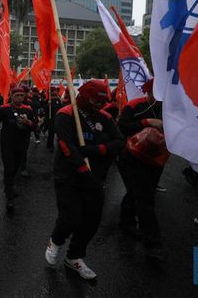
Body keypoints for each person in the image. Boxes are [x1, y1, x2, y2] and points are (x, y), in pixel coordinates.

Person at [45, 80, 124, 280]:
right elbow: (66, 145)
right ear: (84, 96)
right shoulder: (65, 114)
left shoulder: (105, 117)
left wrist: (97, 150)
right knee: (71, 217)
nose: (99, 104)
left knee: (92, 220)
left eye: (102, 100)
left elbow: (119, 142)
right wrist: (81, 166)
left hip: (95, 178)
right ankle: (55, 241)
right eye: (95, 100)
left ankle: (74, 257)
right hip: (68, 176)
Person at [117, 78, 167, 261]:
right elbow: (121, 127)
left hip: (156, 159)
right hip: (130, 157)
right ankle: (153, 244)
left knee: (138, 192)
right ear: (147, 91)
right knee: (145, 198)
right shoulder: (134, 106)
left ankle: (126, 220)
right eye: (152, 92)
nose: (155, 96)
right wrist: (147, 122)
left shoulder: (170, 108)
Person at [0, 86, 35, 213]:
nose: (19, 98)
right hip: (7, 145)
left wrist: (28, 123)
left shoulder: (28, 110)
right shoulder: (4, 109)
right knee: (9, 168)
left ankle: (10, 186)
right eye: (17, 95)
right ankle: (9, 197)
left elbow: (35, 127)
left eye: (21, 95)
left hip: (22, 145)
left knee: (16, 169)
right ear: (11, 96)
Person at [45, 86, 62, 151]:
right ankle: (50, 145)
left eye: (55, 90)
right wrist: (47, 105)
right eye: (54, 90)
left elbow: (60, 107)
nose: (55, 92)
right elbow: (45, 109)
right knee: (51, 132)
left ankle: (60, 145)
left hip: (57, 118)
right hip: (50, 118)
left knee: (59, 132)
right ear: (51, 92)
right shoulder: (48, 100)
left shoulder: (58, 99)